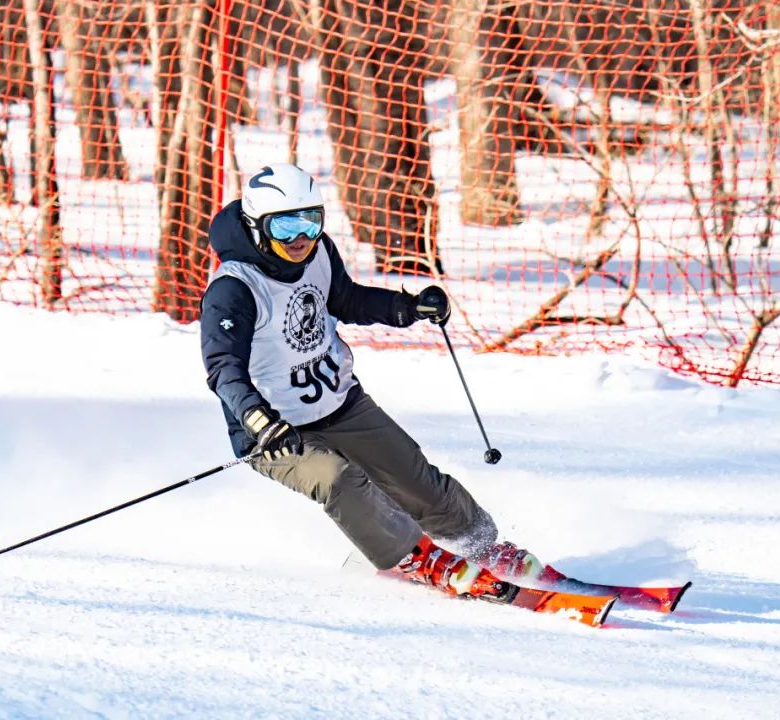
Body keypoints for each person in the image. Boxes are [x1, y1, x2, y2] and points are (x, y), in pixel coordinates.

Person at [199, 163, 540, 597]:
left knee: (415, 478)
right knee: (338, 478)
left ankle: (479, 546)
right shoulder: (234, 288)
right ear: (257, 226)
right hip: (275, 429)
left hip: (340, 402)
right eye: (285, 226)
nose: (300, 237)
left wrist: (409, 308)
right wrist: (260, 422)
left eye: (310, 220)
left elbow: (345, 298)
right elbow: (223, 367)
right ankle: (413, 558)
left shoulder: (318, 253)